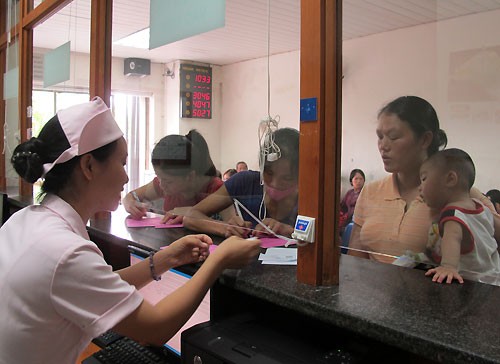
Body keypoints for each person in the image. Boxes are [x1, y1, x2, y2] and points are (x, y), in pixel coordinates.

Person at [0, 97, 261, 364]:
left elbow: (97, 284)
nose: (126, 178)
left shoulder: (26, 222)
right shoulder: (65, 252)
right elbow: (156, 328)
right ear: (89, 166)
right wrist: (218, 260)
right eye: (122, 163)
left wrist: (166, 259)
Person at [348, 95, 500, 263]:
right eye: (380, 137)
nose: (383, 146)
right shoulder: (371, 191)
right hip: (374, 287)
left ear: (425, 139)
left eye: (393, 137)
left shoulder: (456, 191)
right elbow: (356, 258)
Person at [184, 128, 299, 238]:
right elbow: (191, 216)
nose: (274, 183)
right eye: (269, 173)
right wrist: (226, 228)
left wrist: (291, 232)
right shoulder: (245, 182)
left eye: (287, 178)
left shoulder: (309, 200)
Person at [420, 148, 500, 284]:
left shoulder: (452, 214)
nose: (420, 187)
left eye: (424, 179)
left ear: (450, 179)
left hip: (472, 283)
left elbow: (453, 238)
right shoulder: (480, 207)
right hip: (494, 278)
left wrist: (448, 267)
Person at [122, 129, 223, 224]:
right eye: (159, 177)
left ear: (190, 176)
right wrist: (130, 203)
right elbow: (131, 196)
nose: (161, 184)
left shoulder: (217, 189)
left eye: (168, 181)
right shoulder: (164, 184)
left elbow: (233, 228)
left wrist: (194, 213)